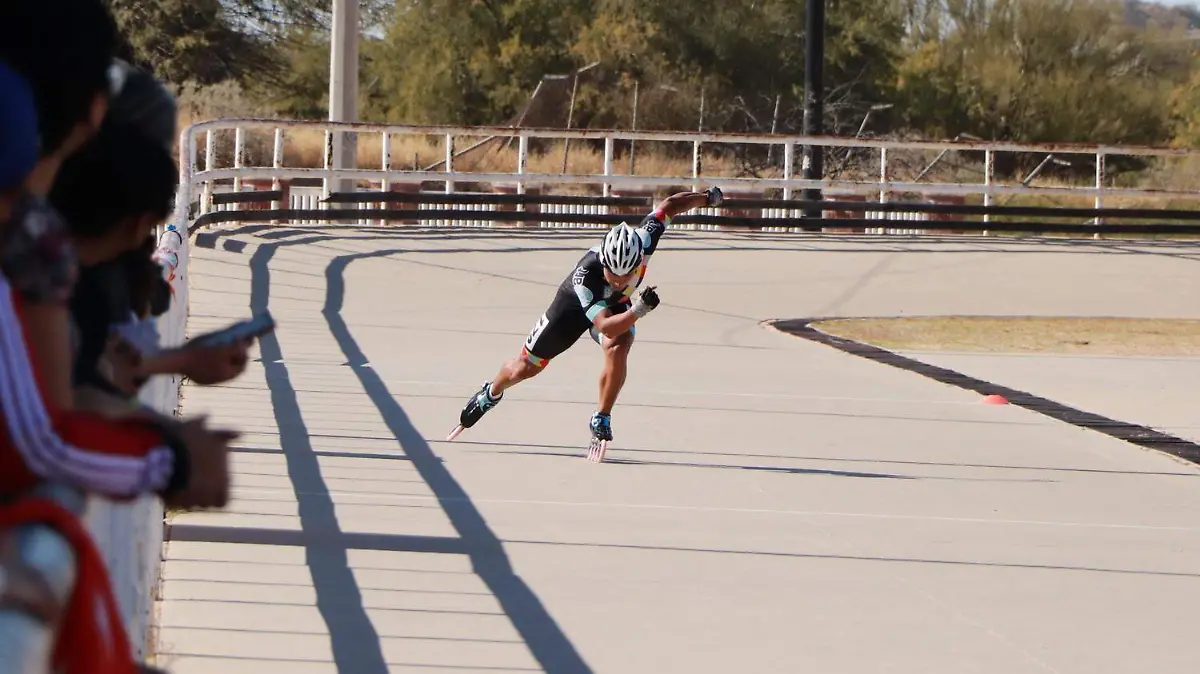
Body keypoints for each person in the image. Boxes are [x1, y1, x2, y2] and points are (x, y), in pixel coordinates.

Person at [449, 186, 724, 445]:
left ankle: (601, 417)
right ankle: (490, 392)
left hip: (613, 307)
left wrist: (705, 198)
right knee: (526, 368)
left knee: (620, 345)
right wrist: (639, 309)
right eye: (612, 274)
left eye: (626, 274)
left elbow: (671, 205)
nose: (618, 280)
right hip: (572, 309)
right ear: (603, 262)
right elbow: (605, 325)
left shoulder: (645, 239)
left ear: (639, 259)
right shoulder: (586, 275)